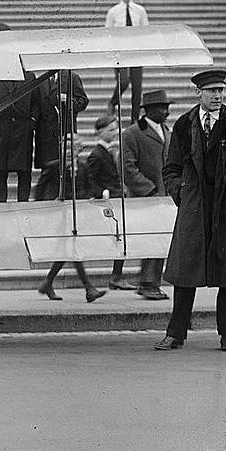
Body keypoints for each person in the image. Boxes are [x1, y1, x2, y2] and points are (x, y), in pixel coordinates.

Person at [155, 70, 226, 353]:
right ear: (198, 93)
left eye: (220, 90)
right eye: (211, 91)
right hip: (195, 207)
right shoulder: (184, 125)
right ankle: (176, 334)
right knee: (185, 273)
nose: (217, 96)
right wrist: (182, 192)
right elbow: (171, 168)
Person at [36, 136, 107, 303]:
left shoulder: (82, 167)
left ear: (78, 150)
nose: (69, 152)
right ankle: (89, 288)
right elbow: (41, 188)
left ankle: (48, 282)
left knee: (69, 249)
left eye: (73, 148)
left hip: (77, 214)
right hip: (59, 214)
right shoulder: (54, 167)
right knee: (73, 249)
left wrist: (100, 193)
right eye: (66, 148)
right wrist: (42, 208)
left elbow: (88, 186)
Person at [122, 89, 173, 300]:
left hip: (165, 197)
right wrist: (149, 190)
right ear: (149, 110)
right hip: (146, 199)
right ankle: (147, 283)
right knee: (151, 240)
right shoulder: (133, 133)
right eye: (163, 107)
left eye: (167, 107)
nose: (167, 112)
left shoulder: (166, 131)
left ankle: (153, 283)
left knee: (160, 241)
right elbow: (126, 168)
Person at [85, 113, 136, 290]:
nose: (115, 132)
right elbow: (89, 180)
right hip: (108, 202)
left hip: (118, 198)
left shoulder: (111, 151)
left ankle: (117, 276)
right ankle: (116, 276)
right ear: (100, 132)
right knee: (119, 238)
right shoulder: (96, 154)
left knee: (122, 238)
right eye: (110, 129)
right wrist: (102, 192)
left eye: (115, 129)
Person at [0, 73, 39, 203]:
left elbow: (36, 102)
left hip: (22, 131)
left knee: (24, 173)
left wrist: (32, 120)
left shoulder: (29, 77)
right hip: (0, 131)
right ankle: (0, 206)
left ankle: (23, 205)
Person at [33, 70, 88, 201]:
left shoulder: (71, 77)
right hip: (46, 135)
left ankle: (67, 197)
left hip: (65, 132)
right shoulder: (41, 80)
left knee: (67, 168)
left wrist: (68, 101)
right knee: (48, 170)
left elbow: (83, 101)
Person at [105, 0, 148, 123]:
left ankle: (134, 118)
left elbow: (146, 30)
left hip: (135, 51)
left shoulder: (140, 11)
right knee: (123, 81)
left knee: (137, 86)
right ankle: (113, 102)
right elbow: (108, 32)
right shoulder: (113, 12)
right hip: (120, 51)